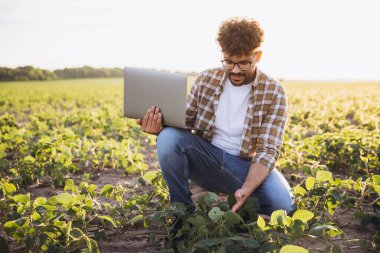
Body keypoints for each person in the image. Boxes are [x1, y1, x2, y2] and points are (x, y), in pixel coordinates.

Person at [137, 17, 295, 216]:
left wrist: (247, 188)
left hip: (243, 166)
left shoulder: (274, 92)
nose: (235, 70)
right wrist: (159, 128)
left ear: (258, 56)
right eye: (229, 62)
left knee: (283, 206)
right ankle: (182, 210)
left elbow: (267, 151)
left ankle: (241, 198)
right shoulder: (206, 80)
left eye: (244, 63)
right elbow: (184, 123)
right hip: (206, 158)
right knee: (168, 137)